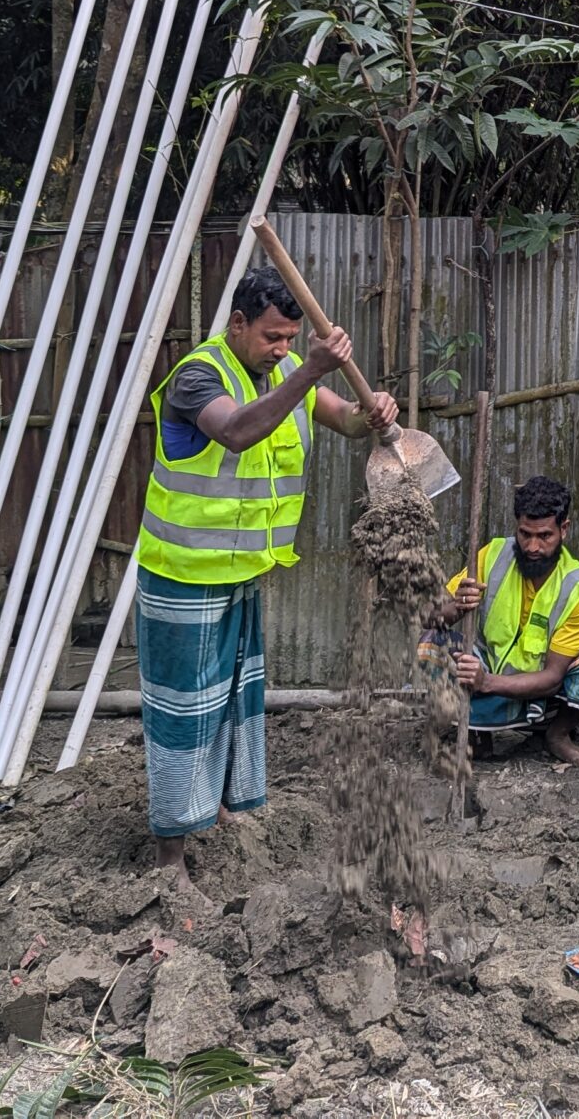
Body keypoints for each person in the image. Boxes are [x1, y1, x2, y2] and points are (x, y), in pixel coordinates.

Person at [134, 263, 396, 884]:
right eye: (271, 337)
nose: (280, 349)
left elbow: (345, 418)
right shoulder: (198, 376)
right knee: (184, 712)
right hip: (183, 574)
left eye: (289, 340)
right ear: (237, 323)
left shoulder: (283, 373)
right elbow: (236, 431)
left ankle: (217, 811)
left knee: (231, 701)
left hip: (241, 574)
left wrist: (373, 413)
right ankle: (169, 853)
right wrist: (309, 370)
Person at [436, 474, 579, 766]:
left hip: (541, 698)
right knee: (431, 645)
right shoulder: (493, 554)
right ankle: (477, 734)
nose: (533, 547)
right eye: (525, 534)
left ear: (564, 529)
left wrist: (487, 683)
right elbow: (431, 617)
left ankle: (556, 734)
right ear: (517, 527)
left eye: (544, 536)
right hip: (482, 678)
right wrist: (456, 606)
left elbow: (552, 679)